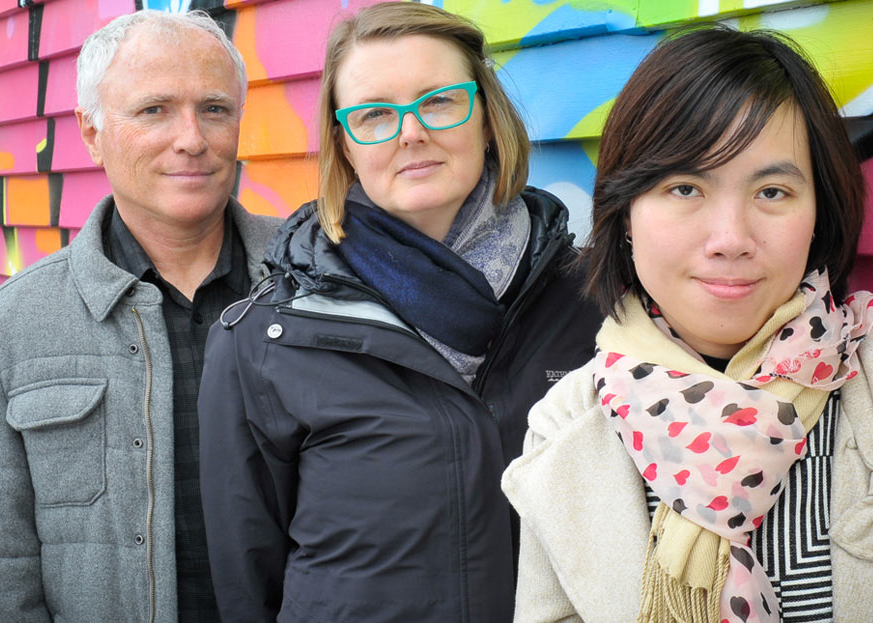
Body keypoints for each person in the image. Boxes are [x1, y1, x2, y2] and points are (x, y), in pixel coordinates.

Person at [197, 2, 601, 621]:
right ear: (345, 143)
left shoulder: (594, 304)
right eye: (375, 114)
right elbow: (249, 587)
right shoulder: (264, 340)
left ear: (487, 117)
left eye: (438, 100)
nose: (410, 132)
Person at [502, 25, 873, 623]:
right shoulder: (566, 425)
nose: (730, 239)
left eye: (773, 191)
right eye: (684, 187)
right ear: (624, 215)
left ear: (819, 213)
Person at [0, 10, 281, 623]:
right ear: (91, 133)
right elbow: (6, 564)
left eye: (214, 108)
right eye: (153, 110)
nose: (191, 139)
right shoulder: (17, 323)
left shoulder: (314, 285)